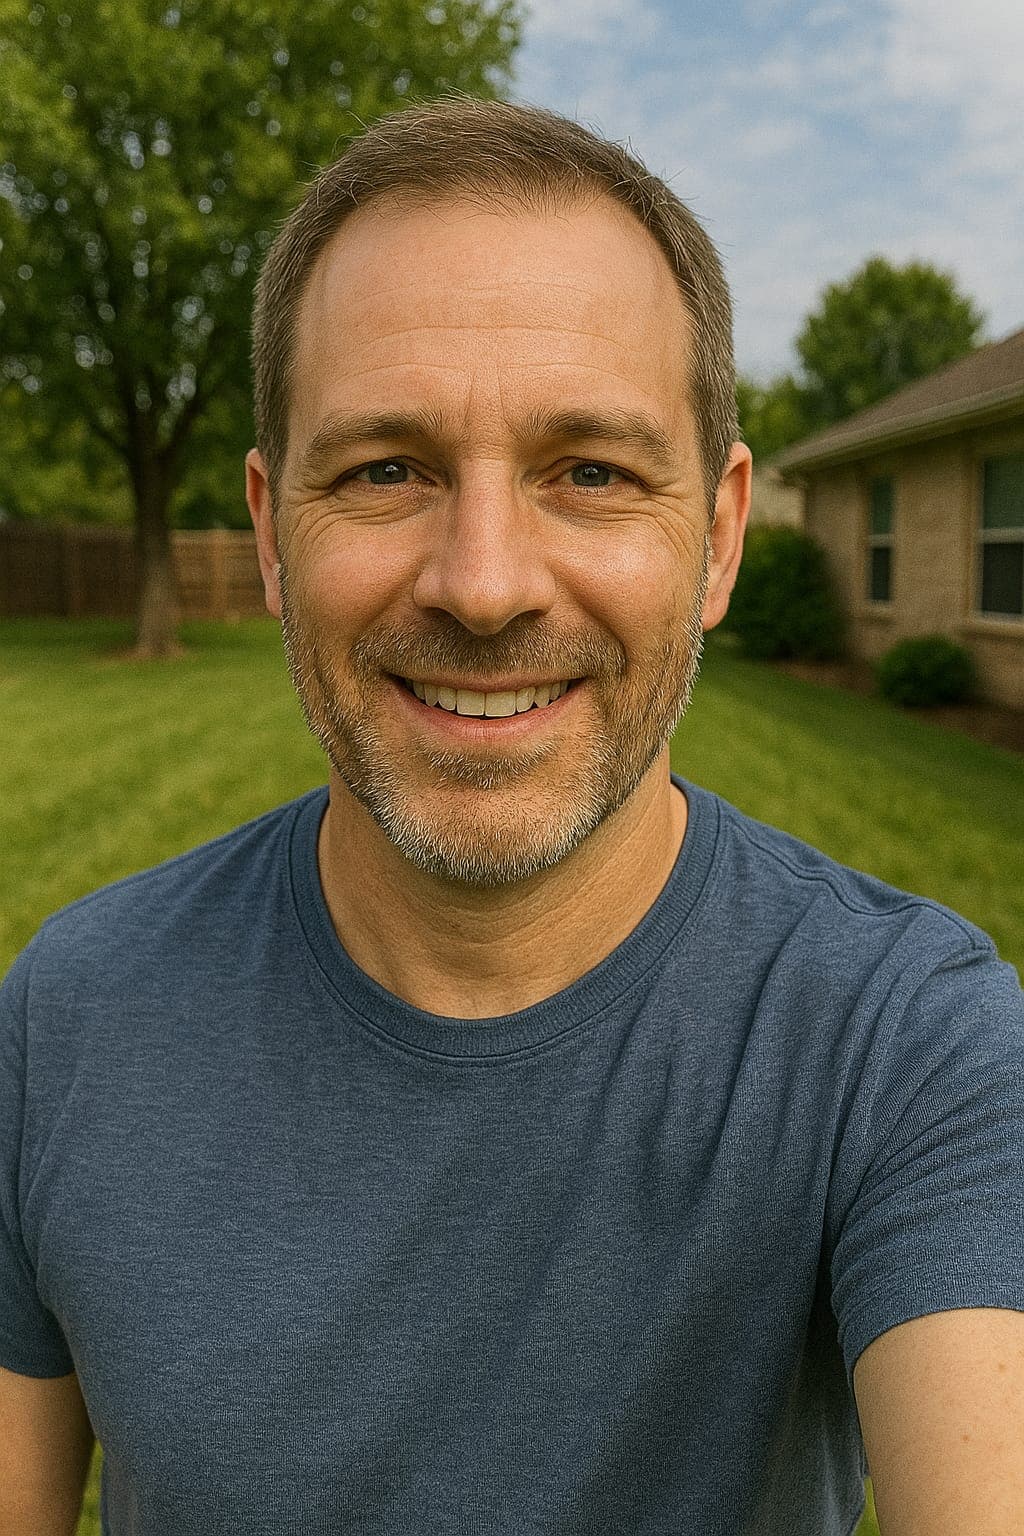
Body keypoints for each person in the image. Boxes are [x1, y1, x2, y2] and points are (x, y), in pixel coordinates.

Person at [1, 98, 1022, 1536]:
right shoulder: (65, 1022)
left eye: (590, 471)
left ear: (720, 535)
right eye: (385, 470)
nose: (484, 586)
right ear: (272, 532)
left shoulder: (908, 1046)